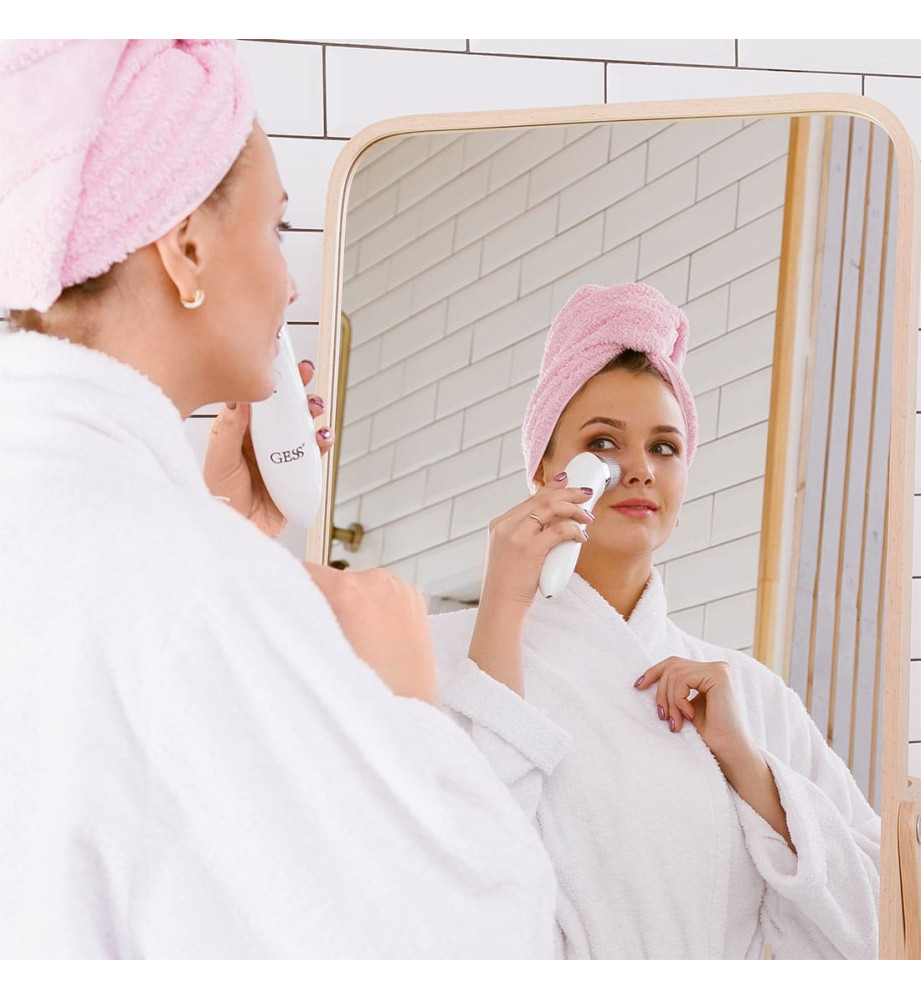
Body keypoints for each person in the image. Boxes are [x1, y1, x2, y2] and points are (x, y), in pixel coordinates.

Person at [0, 39, 557, 958]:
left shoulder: (87, 523)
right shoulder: (192, 585)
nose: (290, 281)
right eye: (277, 229)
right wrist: (403, 706)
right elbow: (474, 943)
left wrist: (223, 532)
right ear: (186, 247)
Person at [428, 282, 880, 959]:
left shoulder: (751, 698)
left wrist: (747, 766)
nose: (638, 468)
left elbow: (881, 923)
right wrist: (501, 614)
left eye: (664, 447)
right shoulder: (441, 656)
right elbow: (445, 890)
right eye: (603, 442)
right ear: (547, 469)